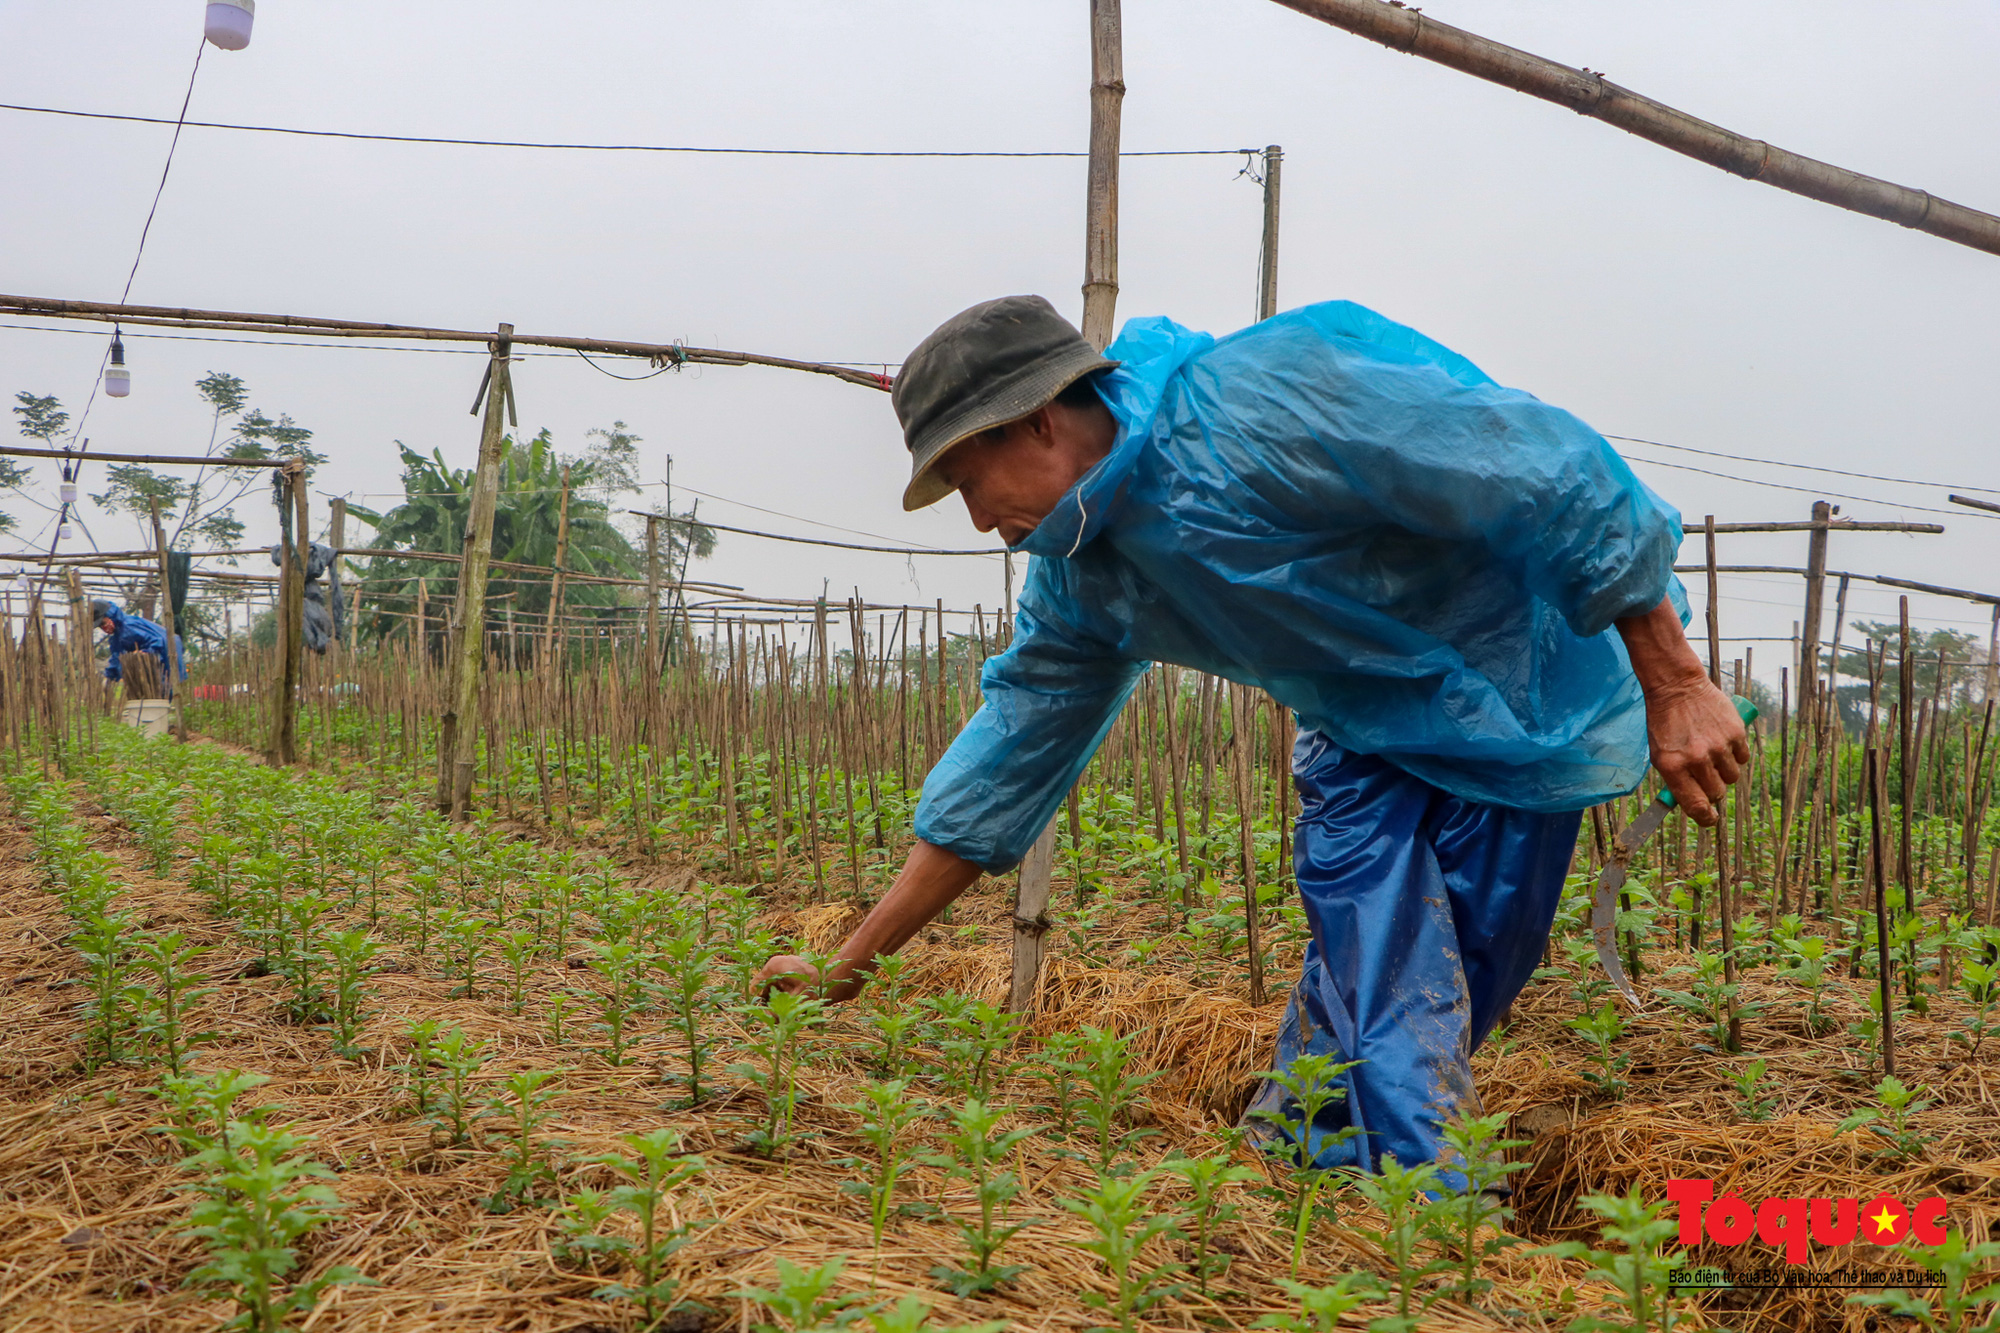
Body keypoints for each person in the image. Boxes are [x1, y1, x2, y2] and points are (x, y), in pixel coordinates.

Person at [758, 295, 1746, 1174]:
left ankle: (1299, 1174)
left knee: (1439, 987)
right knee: (1384, 982)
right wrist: (852, 960)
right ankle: (1423, 1236)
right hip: (1357, 741)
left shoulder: (1270, 404)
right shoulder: (1082, 580)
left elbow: (1547, 468)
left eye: (971, 481)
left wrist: (1674, 676)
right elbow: (1003, 764)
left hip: (1524, 707)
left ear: (1035, 418)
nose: (980, 523)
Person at [91, 598, 184, 696]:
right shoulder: (118, 636)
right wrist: (109, 678)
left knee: (163, 692)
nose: (104, 628)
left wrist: (144, 653)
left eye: (103, 623)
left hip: (168, 653)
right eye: (101, 626)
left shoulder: (128, 627)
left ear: (110, 615)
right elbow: (117, 657)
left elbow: (157, 642)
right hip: (161, 657)